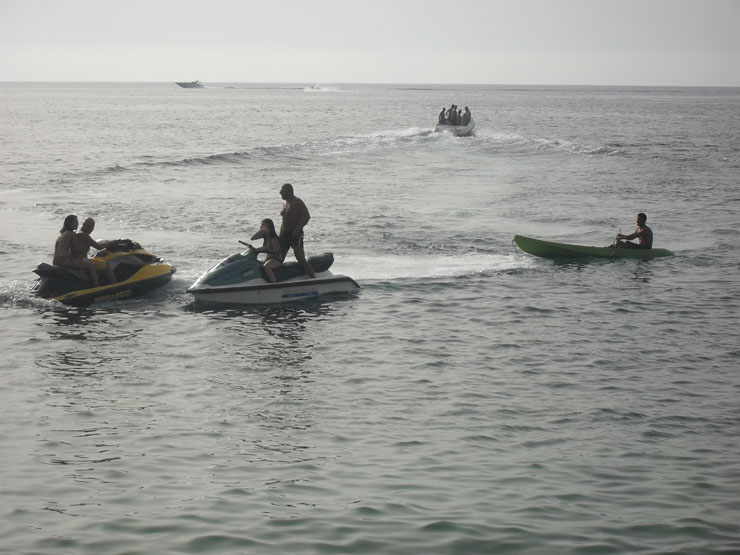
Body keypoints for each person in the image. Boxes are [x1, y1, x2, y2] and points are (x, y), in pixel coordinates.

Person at [278, 183, 316, 278]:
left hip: (295, 234)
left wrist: (297, 229)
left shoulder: (297, 202)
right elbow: (284, 221)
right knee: (279, 258)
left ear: (289, 191)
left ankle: (313, 278)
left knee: (300, 258)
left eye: (282, 190)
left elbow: (307, 216)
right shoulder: (286, 203)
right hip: (285, 234)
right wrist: (280, 235)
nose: (280, 192)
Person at [52, 214, 99, 286]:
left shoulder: (62, 233)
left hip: (55, 260)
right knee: (90, 266)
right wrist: (85, 251)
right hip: (64, 260)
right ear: (69, 224)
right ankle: (97, 287)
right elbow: (75, 250)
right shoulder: (72, 234)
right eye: (75, 222)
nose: (77, 224)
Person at [71, 217, 117, 284]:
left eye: (92, 227)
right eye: (88, 226)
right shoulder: (83, 235)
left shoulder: (76, 232)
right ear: (83, 224)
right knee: (105, 264)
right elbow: (99, 247)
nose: (90, 229)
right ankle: (113, 285)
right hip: (81, 260)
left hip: (74, 260)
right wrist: (112, 243)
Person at [250, 218, 282, 283]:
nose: (260, 226)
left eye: (262, 224)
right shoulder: (265, 236)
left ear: (268, 225)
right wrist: (263, 230)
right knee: (255, 264)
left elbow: (276, 252)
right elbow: (253, 238)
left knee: (266, 267)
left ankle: (274, 284)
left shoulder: (274, 238)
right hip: (268, 259)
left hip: (276, 259)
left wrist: (263, 249)